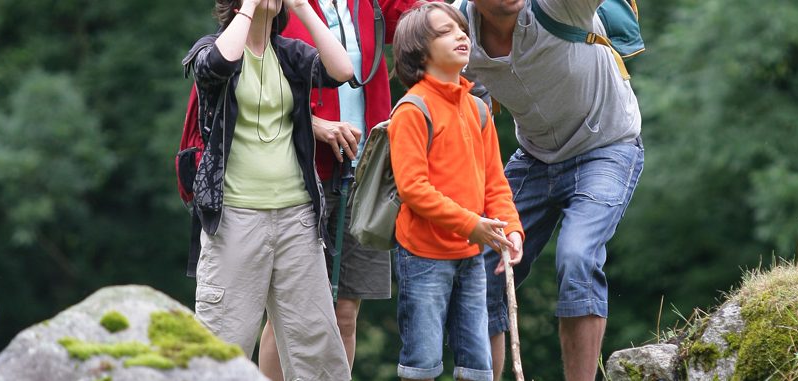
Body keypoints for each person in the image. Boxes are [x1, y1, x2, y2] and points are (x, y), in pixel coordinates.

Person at [458, 0, 645, 380]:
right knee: (480, 262)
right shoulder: (457, 29)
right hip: (536, 157)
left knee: (577, 257)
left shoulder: (558, 6)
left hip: (607, 148)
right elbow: (441, 85)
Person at [182, 0, 355, 379]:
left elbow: (342, 70)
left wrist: (300, 6)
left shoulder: (290, 54)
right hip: (234, 220)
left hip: (297, 219)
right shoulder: (210, 49)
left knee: (316, 346)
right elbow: (218, 67)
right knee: (223, 343)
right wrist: (248, 7)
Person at [257, 0, 422, 378]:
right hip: (298, 170)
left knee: (345, 314)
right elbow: (249, 78)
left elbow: (428, 21)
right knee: (288, 314)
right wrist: (310, 121)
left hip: (365, 172)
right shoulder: (280, 5)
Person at [387, 2, 524, 380]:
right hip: (423, 256)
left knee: (478, 366)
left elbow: (495, 184)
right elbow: (413, 189)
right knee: (422, 364)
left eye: (461, 29)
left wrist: (510, 228)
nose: (461, 36)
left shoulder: (478, 109)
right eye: (445, 32)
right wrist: (472, 225)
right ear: (419, 50)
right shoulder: (412, 110)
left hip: (471, 254)